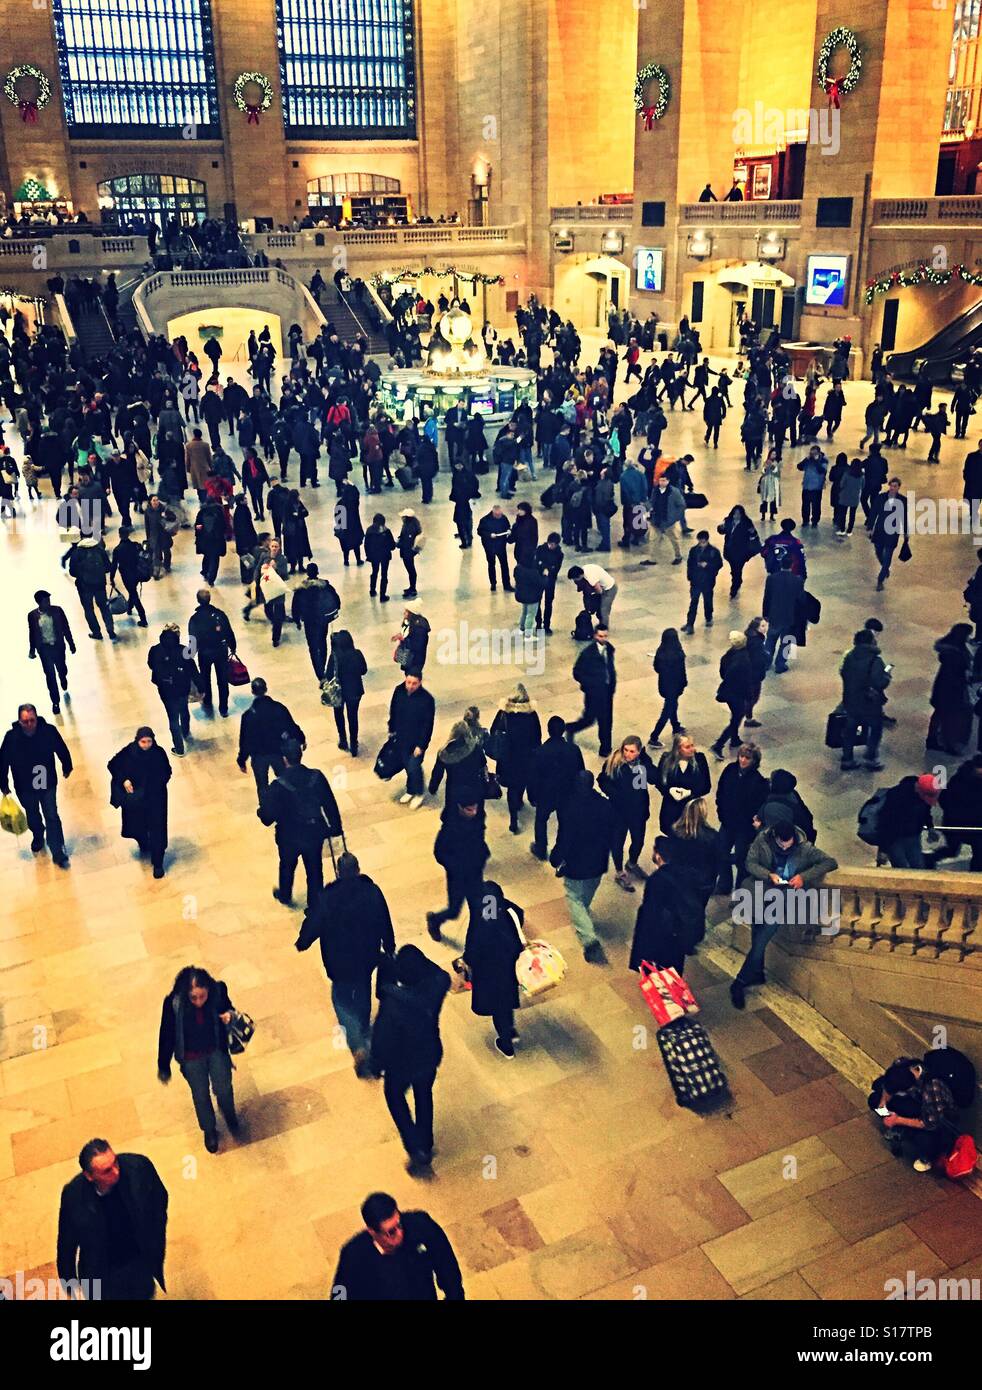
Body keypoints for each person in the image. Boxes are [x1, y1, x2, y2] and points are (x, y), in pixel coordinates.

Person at [296, 851, 395, 1076]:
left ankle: (357, 1043)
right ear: (358, 869)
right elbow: (384, 920)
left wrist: (303, 941)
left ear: (339, 872)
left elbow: (314, 923)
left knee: (340, 999)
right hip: (366, 957)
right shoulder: (372, 892)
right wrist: (389, 945)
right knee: (362, 991)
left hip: (338, 961)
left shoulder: (328, 897)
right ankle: (361, 1027)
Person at [729, 820, 838, 1008]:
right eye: (781, 844)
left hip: (783, 900)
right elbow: (750, 863)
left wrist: (804, 877)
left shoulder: (804, 848)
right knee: (757, 933)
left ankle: (740, 981)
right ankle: (757, 973)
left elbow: (830, 862)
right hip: (761, 893)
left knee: (762, 938)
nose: (785, 847)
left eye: (788, 844)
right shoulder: (761, 841)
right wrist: (768, 874)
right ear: (775, 837)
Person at [369, 945, 451, 1173]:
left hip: (401, 1064)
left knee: (394, 1097)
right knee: (424, 1096)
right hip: (429, 1054)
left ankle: (415, 1146)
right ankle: (426, 1142)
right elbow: (436, 972)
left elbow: (382, 1040)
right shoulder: (438, 984)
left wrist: (375, 1065)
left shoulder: (393, 1005)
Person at [56, 1140, 168, 1301]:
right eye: (107, 1171)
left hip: (138, 1260)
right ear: (89, 1176)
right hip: (103, 1271)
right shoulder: (74, 1196)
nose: (116, 1172)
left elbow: (160, 1200)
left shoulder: (139, 1168)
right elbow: (66, 1242)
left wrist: (155, 1241)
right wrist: (69, 1283)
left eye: (115, 1162)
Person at [157, 966, 238, 1153]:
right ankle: (209, 1129)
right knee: (200, 1094)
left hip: (216, 1050)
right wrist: (163, 1065)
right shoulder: (173, 1003)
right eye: (194, 998)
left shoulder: (218, 991)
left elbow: (230, 1009)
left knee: (223, 1086)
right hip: (192, 1057)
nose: (199, 1001)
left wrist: (229, 1016)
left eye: (202, 996)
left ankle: (230, 1115)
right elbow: (166, 1034)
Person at [331, 1192, 464, 1301]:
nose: (400, 1233)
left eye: (399, 1224)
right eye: (391, 1232)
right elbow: (340, 1292)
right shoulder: (354, 1255)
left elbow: (448, 1267)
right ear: (372, 1231)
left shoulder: (421, 1227)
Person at [258, 740, 342, 906]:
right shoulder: (316, 777)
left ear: (284, 759)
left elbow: (267, 818)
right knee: (315, 869)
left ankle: (285, 894)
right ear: (300, 755)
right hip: (314, 832)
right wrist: (335, 827)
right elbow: (329, 803)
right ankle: (315, 902)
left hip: (289, 835)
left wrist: (261, 812)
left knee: (287, 865)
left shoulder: (278, 785)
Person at [552, 769, 614, 963]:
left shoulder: (569, 807)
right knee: (587, 892)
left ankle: (589, 940)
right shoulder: (605, 805)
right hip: (598, 859)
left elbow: (565, 838)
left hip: (577, 862)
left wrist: (556, 857)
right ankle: (584, 915)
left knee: (574, 897)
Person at [0, 703, 72, 867]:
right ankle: (38, 834)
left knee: (51, 815)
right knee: (32, 814)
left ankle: (58, 850)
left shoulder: (48, 731)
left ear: (36, 719)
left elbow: (61, 748)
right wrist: (3, 783)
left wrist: (67, 765)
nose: (29, 725)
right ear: (19, 721)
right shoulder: (11, 738)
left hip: (47, 783)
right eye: (25, 722)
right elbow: (2, 762)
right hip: (25, 786)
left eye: (32, 720)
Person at [462, 879, 525, 1057]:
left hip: (490, 974)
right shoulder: (508, 910)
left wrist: (467, 962)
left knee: (498, 1008)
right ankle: (510, 1030)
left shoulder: (483, 923)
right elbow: (519, 914)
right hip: (510, 968)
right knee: (506, 1003)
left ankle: (506, 1043)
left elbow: (474, 949)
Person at [628, 836, 702, 976]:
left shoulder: (657, 879)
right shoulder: (686, 873)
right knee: (674, 970)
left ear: (658, 855)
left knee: (658, 974)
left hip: (663, 933)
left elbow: (651, 913)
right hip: (679, 933)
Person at [107, 728, 172, 879]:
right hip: (137, 800)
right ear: (138, 741)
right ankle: (143, 842)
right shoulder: (129, 752)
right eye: (143, 741)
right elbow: (113, 764)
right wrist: (124, 779)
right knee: (139, 824)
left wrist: (158, 784)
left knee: (157, 829)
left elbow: (167, 771)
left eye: (149, 741)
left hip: (156, 798)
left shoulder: (158, 753)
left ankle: (158, 863)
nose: (146, 745)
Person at [426, 790, 490, 941]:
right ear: (460, 808)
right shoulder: (449, 829)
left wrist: (483, 854)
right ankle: (434, 919)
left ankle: (479, 938)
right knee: (454, 910)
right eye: (469, 809)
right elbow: (439, 853)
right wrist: (456, 867)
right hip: (457, 878)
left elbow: (479, 840)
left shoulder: (478, 819)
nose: (474, 811)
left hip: (475, 872)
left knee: (477, 909)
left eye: (475, 808)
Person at [876, 1058, 959, 1172]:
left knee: (924, 1139)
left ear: (909, 1087)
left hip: (936, 1118)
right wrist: (883, 1102)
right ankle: (901, 1130)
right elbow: (888, 1084)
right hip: (917, 1102)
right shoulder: (901, 1065)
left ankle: (927, 1156)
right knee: (874, 1099)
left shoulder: (932, 1088)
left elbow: (929, 1123)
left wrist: (897, 1120)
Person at [598, 735, 656, 892]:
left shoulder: (643, 763)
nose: (627, 754)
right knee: (617, 842)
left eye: (632, 751)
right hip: (619, 812)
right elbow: (602, 780)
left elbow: (654, 778)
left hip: (638, 811)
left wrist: (646, 762)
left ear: (639, 751)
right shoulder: (614, 763)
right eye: (626, 750)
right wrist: (614, 794)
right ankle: (619, 872)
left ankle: (632, 863)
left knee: (638, 841)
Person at [237, 676, 305, 801]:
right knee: (286, 781)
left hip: (259, 756)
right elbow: (291, 726)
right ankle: (289, 803)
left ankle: (266, 810)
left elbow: (244, 741)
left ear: (252, 692)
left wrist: (242, 760)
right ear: (266, 689)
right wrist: (301, 738)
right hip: (278, 752)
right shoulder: (279, 708)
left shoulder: (248, 716)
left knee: (262, 786)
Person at [527, 715, 583, 862]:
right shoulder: (573, 749)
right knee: (564, 822)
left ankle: (541, 847)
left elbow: (533, 777)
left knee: (541, 820)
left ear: (548, 730)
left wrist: (532, 796)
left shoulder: (540, 752)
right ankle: (558, 850)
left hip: (546, 795)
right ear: (563, 730)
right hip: (567, 793)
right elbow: (580, 772)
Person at [488, 682, 542, 833]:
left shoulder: (504, 714)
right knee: (521, 784)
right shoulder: (531, 715)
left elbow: (494, 731)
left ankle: (513, 820)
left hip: (508, 759)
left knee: (512, 787)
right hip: (526, 759)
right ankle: (519, 801)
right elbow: (537, 737)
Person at [715, 743, 767, 894]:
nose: (743, 760)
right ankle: (724, 885)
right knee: (721, 852)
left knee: (741, 859)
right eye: (741, 756)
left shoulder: (758, 781)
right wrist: (720, 811)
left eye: (747, 758)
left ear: (754, 761)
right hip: (727, 822)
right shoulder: (730, 770)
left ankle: (740, 889)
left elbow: (758, 806)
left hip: (744, 829)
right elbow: (721, 792)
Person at [839, 628, 891, 771]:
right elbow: (879, 682)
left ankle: (847, 758)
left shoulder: (849, 656)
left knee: (850, 729)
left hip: (850, 700)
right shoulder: (875, 660)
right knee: (875, 728)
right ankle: (870, 758)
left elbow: (843, 673)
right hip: (869, 703)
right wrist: (887, 676)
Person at [147, 624, 199, 757]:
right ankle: (186, 731)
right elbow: (193, 670)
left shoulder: (155, 650)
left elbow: (150, 665)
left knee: (172, 718)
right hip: (182, 687)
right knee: (184, 708)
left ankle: (179, 748)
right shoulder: (183, 651)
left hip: (166, 690)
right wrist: (201, 687)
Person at [566, 624, 616, 757]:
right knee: (589, 718)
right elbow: (577, 672)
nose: (603, 638)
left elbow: (610, 669)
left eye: (605, 636)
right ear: (595, 636)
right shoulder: (588, 653)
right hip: (593, 693)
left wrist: (612, 685)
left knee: (606, 721)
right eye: (600, 636)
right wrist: (589, 684)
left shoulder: (609, 649)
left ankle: (606, 747)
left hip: (606, 692)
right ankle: (571, 728)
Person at [388, 668, 435, 808]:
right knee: (407, 766)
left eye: (414, 683)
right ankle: (410, 790)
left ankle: (419, 792)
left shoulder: (427, 699)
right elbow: (393, 710)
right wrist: (391, 729)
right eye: (408, 682)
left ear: (420, 682)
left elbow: (428, 725)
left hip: (416, 742)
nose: (410, 686)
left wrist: (421, 745)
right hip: (401, 738)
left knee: (414, 766)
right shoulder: (399, 691)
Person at [926, 623, 974, 755]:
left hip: (942, 688)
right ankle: (949, 744)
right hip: (951, 690)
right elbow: (956, 675)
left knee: (939, 714)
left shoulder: (950, 651)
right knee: (949, 718)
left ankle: (932, 739)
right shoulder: (956, 655)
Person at [187, 589, 236, 716]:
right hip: (221, 651)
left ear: (198, 600)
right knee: (222, 680)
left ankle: (207, 701)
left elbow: (193, 639)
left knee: (205, 678)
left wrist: (190, 654)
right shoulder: (219, 614)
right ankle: (223, 708)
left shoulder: (195, 619)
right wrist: (233, 647)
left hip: (205, 653)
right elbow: (228, 632)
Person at [876, 773, 940, 869]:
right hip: (894, 838)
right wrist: (883, 850)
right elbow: (886, 824)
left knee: (918, 866)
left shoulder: (923, 795)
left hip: (913, 835)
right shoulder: (896, 797)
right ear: (919, 789)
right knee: (901, 867)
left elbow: (926, 813)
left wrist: (930, 827)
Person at [27, 590, 75, 715]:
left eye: (49, 600)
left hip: (58, 647)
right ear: (39, 603)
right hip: (44, 650)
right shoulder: (32, 616)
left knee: (62, 668)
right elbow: (32, 633)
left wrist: (71, 643)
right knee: (50, 676)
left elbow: (66, 627)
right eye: (45, 601)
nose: (48, 603)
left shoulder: (58, 611)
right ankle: (55, 702)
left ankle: (63, 677)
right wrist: (32, 649)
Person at [291, 563, 340, 681]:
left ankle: (319, 674)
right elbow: (337, 600)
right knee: (322, 643)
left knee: (312, 647)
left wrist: (297, 620)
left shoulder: (301, 589)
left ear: (307, 573)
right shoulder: (325, 586)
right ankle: (323, 665)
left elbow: (295, 606)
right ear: (317, 572)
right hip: (323, 620)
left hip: (308, 621)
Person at [654, 733, 711, 834]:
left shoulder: (700, 759)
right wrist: (669, 790)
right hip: (671, 809)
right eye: (687, 747)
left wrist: (690, 792)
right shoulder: (666, 759)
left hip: (691, 810)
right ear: (678, 749)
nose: (692, 749)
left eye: (692, 745)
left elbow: (706, 786)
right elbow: (659, 782)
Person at [710, 631, 755, 757]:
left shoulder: (729, 654)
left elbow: (723, 671)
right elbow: (745, 680)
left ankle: (735, 739)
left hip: (729, 691)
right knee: (736, 718)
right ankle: (718, 745)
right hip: (737, 694)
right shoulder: (743, 660)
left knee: (735, 715)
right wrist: (749, 695)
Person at [325, 629, 368, 757]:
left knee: (339, 714)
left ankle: (343, 739)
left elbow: (328, 675)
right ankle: (354, 744)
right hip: (355, 690)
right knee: (353, 717)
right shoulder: (357, 654)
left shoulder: (334, 657)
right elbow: (364, 670)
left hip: (339, 691)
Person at [936, 756, 982, 870]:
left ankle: (975, 877)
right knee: (952, 850)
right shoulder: (959, 780)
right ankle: (928, 859)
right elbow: (944, 799)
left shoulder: (959, 779)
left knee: (979, 852)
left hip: (975, 825)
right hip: (957, 823)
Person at [67, 536, 116, 641]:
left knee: (89, 609)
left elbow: (72, 572)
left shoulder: (76, 553)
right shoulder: (99, 550)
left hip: (84, 587)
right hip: (100, 585)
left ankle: (96, 632)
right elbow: (108, 567)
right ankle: (111, 631)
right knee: (104, 608)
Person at [762, 555, 803, 674]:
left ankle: (766, 661)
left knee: (770, 640)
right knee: (787, 641)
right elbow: (800, 600)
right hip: (790, 617)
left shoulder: (772, 579)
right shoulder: (798, 580)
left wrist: (765, 614)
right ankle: (780, 664)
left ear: (781, 564)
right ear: (792, 565)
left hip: (774, 615)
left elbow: (767, 597)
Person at [868, 476, 909, 591]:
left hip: (893, 532)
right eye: (891, 485)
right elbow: (874, 512)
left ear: (898, 487)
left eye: (895, 486)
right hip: (880, 529)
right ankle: (885, 569)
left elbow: (904, 517)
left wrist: (906, 532)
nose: (892, 488)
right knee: (878, 551)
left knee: (888, 555)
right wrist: (870, 527)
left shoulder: (903, 501)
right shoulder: (881, 498)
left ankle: (880, 579)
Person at [682, 531, 723, 633]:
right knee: (693, 602)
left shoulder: (714, 551)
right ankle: (690, 624)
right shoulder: (694, 550)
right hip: (696, 581)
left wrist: (708, 565)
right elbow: (690, 564)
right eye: (700, 542)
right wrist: (690, 577)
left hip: (707, 581)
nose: (701, 543)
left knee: (708, 601)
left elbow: (719, 564)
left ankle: (708, 617)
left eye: (703, 542)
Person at [716, 505, 761, 597]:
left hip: (741, 551)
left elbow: (753, 535)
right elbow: (722, 531)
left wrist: (752, 532)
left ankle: (735, 585)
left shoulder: (746, 523)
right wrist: (721, 528)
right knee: (735, 568)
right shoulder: (728, 521)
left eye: (738, 513)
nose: (736, 515)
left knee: (737, 568)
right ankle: (737, 580)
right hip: (729, 550)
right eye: (735, 513)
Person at [109, 526, 149, 626]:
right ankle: (130, 608)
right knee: (132, 591)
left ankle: (143, 619)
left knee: (134, 594)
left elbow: (114, 565)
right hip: (137, 573)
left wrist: (111, 578)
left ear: (119, 535)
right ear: (128, 534)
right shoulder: (135, 545)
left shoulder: (117, 550)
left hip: (126, 576)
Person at [647, 474, 686, 564]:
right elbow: (652, 501)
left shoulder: (674, 492)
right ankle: (652, 559)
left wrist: (675, 518)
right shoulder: (655, 490)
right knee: (653, 540)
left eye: (664, 480)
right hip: (656, 521)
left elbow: (681, 505)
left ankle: (678, 556)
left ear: (668, 481)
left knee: (674, 540)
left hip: (669, 522)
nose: (662, 482)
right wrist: (649, 508)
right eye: (660, 480)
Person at [566, 562, 617, 628]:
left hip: (609, 589)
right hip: (602, 587)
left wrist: (596, 600)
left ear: (580, 576)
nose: (574, 581)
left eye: (574, 579)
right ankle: (601, 626)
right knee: (600, 609)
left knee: (603, 611)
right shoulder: (583, 570)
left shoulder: (590, 578)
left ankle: (603, 630)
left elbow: (599, 591)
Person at [477, 503, 512, 591]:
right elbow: (480, 531)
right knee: (491, 564)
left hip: (501, 545)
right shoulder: (485, 520)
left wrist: (509, 530)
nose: (499, 516)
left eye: (500, 514)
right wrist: (489, 535)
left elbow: (508, 526)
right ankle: (493, 583)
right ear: (493, 512)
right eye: (497, 515)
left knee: (504, 565)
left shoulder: (503, 518)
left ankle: (506, 585)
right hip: (490, 547)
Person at [397, 508, 422, 598]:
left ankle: (413, 589)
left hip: (408, 552)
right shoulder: (413, 524)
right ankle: (412, 587)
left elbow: (406, 541)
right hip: (410, 552)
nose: (402, 518)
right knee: (411, 570)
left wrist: (398, 544)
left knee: (411, 570)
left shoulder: (409, 528)